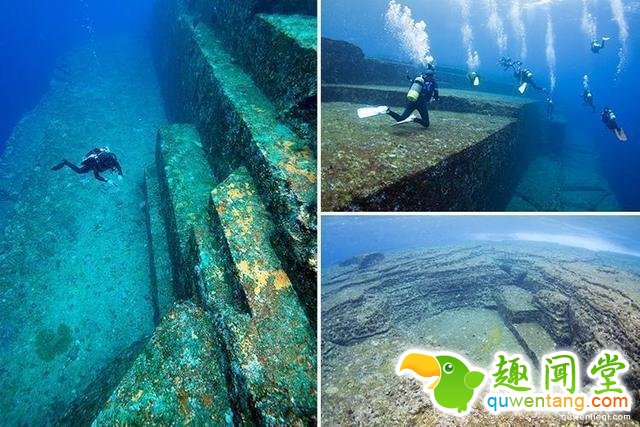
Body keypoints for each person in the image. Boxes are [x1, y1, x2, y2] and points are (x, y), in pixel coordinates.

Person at [51, 147, 123, 182]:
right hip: (92, 163)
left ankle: (65, 162)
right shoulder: (97, 164)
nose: (113, 169)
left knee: (80, 171)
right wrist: (106, 180)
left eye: (114, 170)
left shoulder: (112, 161)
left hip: (98, 161)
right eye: (114, 170)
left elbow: (118, 165)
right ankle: (65, 162)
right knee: (79, 171)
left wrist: (120, 174)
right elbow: (96, 176)